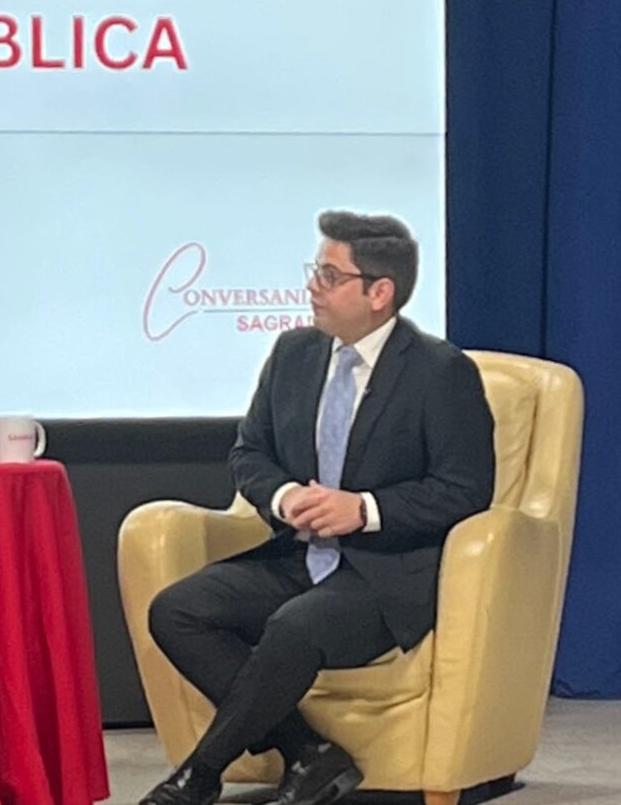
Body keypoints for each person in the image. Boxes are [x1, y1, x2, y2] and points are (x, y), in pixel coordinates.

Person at [138, 212, 496, 805]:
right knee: (178, 610)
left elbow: (466, 489)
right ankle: (309, 752)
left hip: (384, 575)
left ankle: (199, 774)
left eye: (330, 276)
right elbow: (249, 452)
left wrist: (365, 509)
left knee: (294, 627)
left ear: (379, 293)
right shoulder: (294, 353)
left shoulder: (441, 372)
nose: (313, 287)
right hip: (300, 557)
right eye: (315, 271)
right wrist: (284, 498)